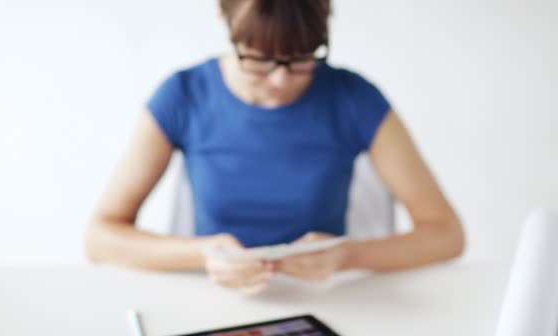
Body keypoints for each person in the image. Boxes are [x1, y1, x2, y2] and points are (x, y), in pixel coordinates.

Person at [85, 0, 465, 295]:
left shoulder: (354, 99)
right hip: (214, 301)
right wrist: (201, 254)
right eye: (261, 59)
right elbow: (100, 237)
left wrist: (346, 256)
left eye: (302, 57)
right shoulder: (184, 96)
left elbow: (446, 234)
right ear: (226, 20)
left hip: (324, 301)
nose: (282, 79)